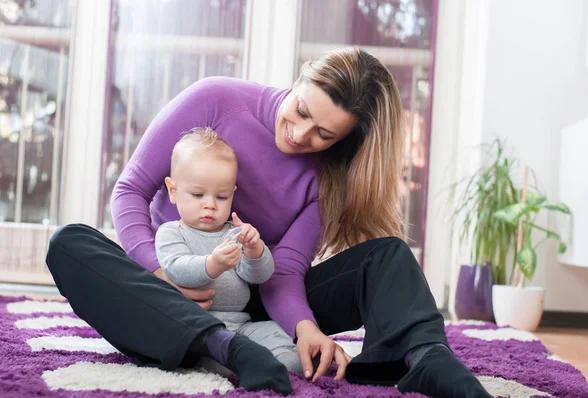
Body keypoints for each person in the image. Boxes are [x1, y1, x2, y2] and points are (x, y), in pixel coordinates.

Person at [46, 47, 491, 397]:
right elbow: (130, 191)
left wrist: (305, 328)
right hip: (160, 293)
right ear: (301, 76)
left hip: (252, 300)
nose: (300, 135)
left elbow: (286, 272)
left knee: (388, 255)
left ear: (343, 140)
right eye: (301, 111)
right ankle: (225, 349)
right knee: (69, 243)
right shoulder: (215, 98)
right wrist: (161, 275)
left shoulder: (328, 177)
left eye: (324, 135)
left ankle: (427, 357)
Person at [155, 127, 302, 377]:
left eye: (221, 197)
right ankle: (236, 364)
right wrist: (213, 264)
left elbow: (259, 277)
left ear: (232, 194)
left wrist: (255, 251)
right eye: (198, 194)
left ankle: (273, 366)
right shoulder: (171, 233)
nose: (210, 204)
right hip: (201, 329)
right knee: (217, 355)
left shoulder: (234, 232)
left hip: (241, 324)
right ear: (173, 190)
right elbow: (178, 269)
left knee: (282, 340)